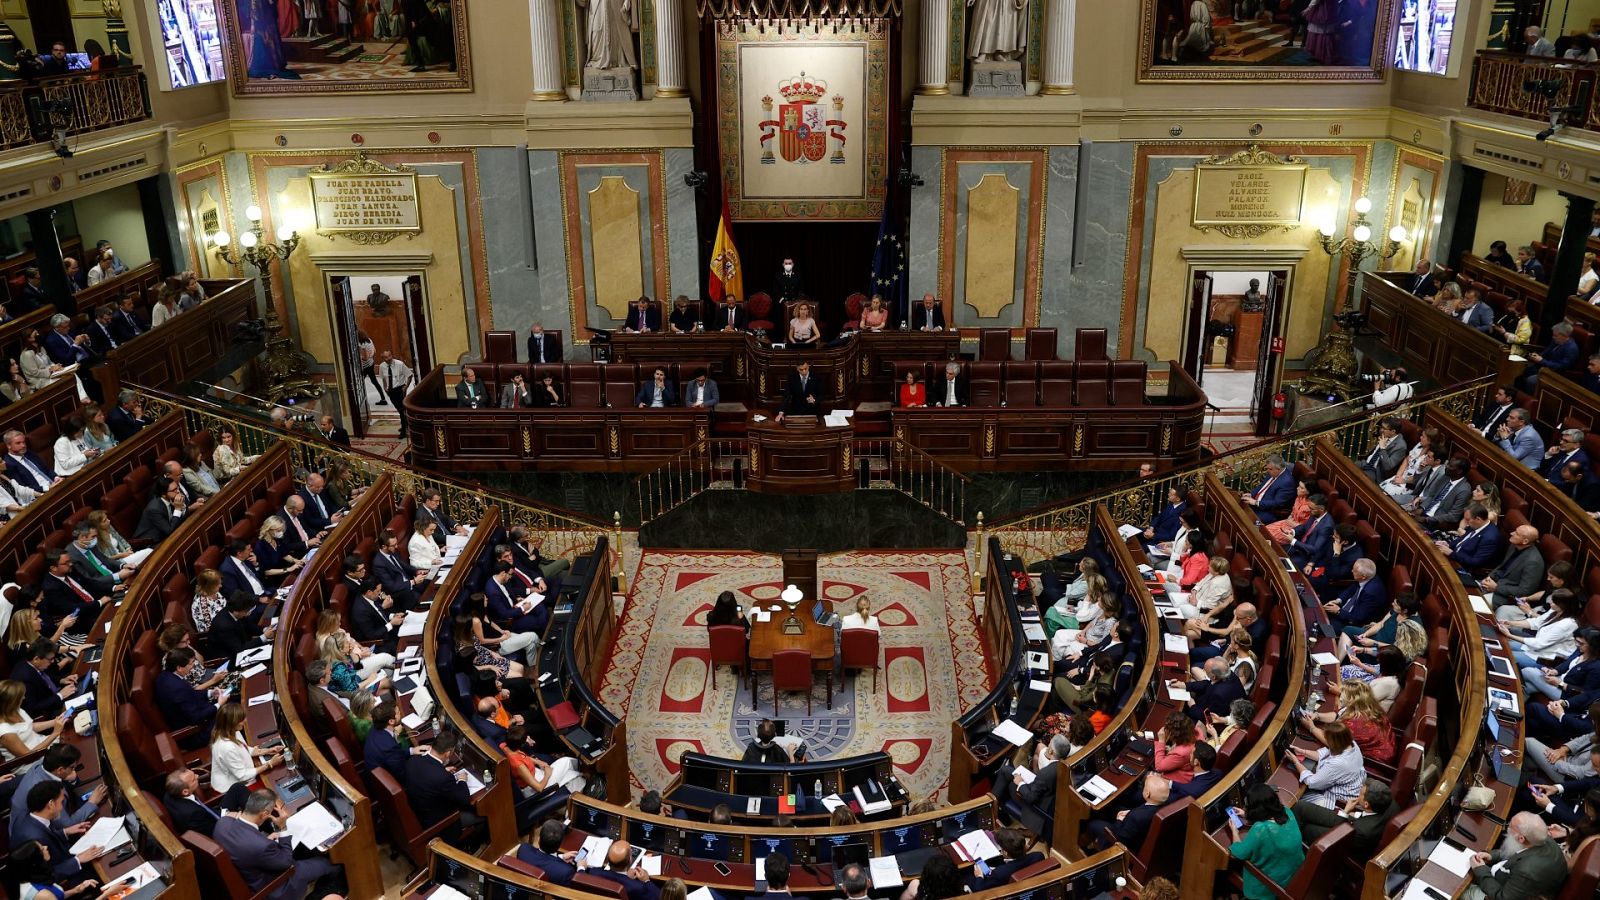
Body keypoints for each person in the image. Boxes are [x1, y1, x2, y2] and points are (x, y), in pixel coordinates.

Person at [213, 789, 345, 900]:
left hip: (251, 870)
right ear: (265, 813)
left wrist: (266, 839)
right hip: (275, 886)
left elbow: (244, 841)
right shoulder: (261, 846)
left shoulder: (222, 823)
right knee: (330, 864)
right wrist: (283, 828)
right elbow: (287, 862)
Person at [1227, 782, 1305, 900]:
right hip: (1296, 876)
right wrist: (1247, 815)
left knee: (1227, 872)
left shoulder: (1261, 829)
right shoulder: (1287, 811)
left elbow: (1237, 853)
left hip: (1272, 888)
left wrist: (1234, 832)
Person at [1465, 811, 1568, 899]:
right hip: (1514, 882)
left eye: (1509, 829)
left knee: (1461, 891)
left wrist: (1481, 870)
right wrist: (1491, 856)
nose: (1507, 831)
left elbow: (1501, 897)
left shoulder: (1526, 872)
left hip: (1499, 893)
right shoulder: (1542, 839)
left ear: (1521, 838)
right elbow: (1516, 851)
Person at [1291, 779, 1397, 857]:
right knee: (1301, 807)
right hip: (1354, 823)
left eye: (1360, 794)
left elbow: (1342, 836)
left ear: (1366, 804)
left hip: (1343, 840)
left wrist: (1346, 811)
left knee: (1308, 828)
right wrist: (1354, 814)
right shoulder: (1391, 803)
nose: (1358, 794)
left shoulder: (1363, 831)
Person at [1287, 719, 1364, 808]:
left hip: (1342, 797)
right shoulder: (1350, 743)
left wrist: (1295, 762)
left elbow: (1311, 782)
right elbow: (1325, 754)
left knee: (1298, 803)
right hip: (1353, 782)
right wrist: (1303, 752)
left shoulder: (1338, 763)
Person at [210, 703, 284, 793]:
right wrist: (270, 764)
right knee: (275, 789)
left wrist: (267, 751)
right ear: (231, 723)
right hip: (233, 786)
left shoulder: (231, 731)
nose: (245, 721)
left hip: (241, 776)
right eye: (241, 720)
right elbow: (242, 775)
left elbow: (245, 749)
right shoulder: (226, 747)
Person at [1088, 773, 1169, 849]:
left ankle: (1098, 844)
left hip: (1125, 842)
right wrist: (1130, 812)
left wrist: (1119, 820)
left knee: (1093, 824)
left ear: (1147, 794)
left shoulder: (1135, 817)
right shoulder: (1165, 803)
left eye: (1144, 787)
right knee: (1115, 808)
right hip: (1141, 828)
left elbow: (1119, 838)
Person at [0, 679, 62, 761]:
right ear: (12, 702)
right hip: (33, 762)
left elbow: (30, 726)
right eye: (21, 696)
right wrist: (55, 733)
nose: (24, 697)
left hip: (41, 743)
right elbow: (28, 756)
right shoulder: (4, 731)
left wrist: (55, 722)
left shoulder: (17, 709)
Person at [965, 828, 1042, 891]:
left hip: (1005, 888)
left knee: (966, 874)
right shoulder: (1038, 856)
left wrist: (979, 876)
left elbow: (979, 889)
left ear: (1005, 852)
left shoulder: (999, 873)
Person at [517, 819, 581, 885]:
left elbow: (543, 861)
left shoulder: (524, 849)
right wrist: (581, 868)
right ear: (560, 845)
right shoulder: (566, 871)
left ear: (538, 840)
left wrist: (561, 857)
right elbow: (578, 886)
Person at [1519, 323, 1580, 392]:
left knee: (1531, 381)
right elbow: (1546, 352)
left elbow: (1561, 367)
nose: (1553, 337)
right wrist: (1537, 356)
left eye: (1555, 335)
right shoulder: (1555, 340)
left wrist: (1542, 361)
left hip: (1556, 374)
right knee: (1521, 370)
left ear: (1564, 336)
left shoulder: (1571, 349)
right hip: (1545, 367)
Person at [1240, 455, 1294, 522]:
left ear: (1279, 469)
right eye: (1267, 468)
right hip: (1258, 502)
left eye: (1270, 469)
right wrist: (1251, 494)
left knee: (1246, 520)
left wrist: (1256, 502)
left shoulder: (1287, 482)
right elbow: (1262, 486)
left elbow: (1277, 503)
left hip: (1269, 511)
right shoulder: (1273, 472)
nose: (1267, 471)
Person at [1263, 479, 1313, 546]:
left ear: (1308, 491)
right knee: (1264, 531)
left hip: (1295, 530)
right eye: (1299, 486)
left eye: (1301, 488)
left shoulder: (1310, 507)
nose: (1297, 488)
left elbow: (1307, 527)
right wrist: (1290, 518)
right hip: (1287, 522)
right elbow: (1293, 512)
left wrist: (1292, 523)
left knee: (1270, 538)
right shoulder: (1299, 497)